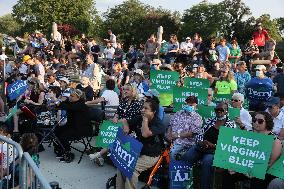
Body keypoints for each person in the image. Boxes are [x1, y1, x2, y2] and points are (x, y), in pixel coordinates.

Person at [181, 102, 236, 189]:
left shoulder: (230, 124)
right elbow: (199, 135)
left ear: (226, 111)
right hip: (202, 147)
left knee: (207, 162)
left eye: (221, 110)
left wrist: (213, 145)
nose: (219, 111)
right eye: (216, 110)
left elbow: (229, 145)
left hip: (216, 151)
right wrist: (201, 142)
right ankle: (183, 184)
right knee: (186, 157)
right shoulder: (210, 121)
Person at [222, 111, 282, 189]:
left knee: (257, 178)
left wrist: (254, 171)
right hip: (246, 167)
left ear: (267, 123)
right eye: (254, 120)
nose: (256, 123)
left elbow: (270, 164)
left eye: (260, 121)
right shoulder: (248, 134)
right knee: (228, 173)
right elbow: (241, 154)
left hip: (263, 171)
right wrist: (234, 166)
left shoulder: (275, 141)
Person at [89, 83, 143, 166]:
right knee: (106, 130)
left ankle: (99, 154)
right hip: (119, 125)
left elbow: (133, 119)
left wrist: (120, 121)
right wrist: (115, 117)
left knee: (115, 136)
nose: (125, 91)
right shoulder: (123, 101)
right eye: (124, 89)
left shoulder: (137, 103)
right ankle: (102, 156)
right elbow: (118, 112)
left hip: (130, 127)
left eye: (127, 89)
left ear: (133, 91)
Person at [116, 98, 165, 189]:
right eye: (142, 107)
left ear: (153, 111)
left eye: (146, 108)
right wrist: (126, 126)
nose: (142, 110)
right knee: (121, 164)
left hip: (151, 155)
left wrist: (145, 120)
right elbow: (124, 120)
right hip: (137, 151)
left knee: (132, 168)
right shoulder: (139, 118)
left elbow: (145, 134)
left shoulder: (158, 124)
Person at [54, 89, 92, 163]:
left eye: (72, 96)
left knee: (63, 135)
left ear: (78, 98)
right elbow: (64, 104)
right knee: (57, 131)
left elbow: (70, 107)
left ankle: (67, 152)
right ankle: (61, 150)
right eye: (70, 95)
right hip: (73, 126)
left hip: (82, 128)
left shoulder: (81, 105)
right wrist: (60, 101)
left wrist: (59, 101)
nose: (70, 97)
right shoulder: (73, 102)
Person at [167, 96, 203, 160]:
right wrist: (168, 134)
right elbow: (170, 125)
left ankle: (173, 168)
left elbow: (191, 134)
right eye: (187, 103)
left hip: (186, 143)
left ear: (196, 105)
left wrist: (176, 135)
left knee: (173, 153)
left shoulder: (197, 118)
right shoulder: (178, 113)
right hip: (172, 140)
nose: (189, 105)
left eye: (191, 104)